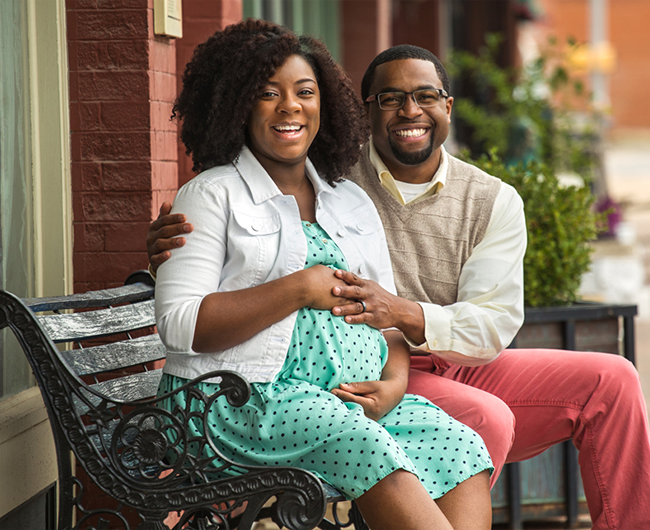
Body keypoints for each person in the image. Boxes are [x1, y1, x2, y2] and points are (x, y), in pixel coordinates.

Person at [150, 41, 650, 530]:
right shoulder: (324, 175)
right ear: (365, 111)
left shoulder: (467, 199)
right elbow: (199, 297)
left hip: (425, 359)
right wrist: (168, 256)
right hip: (268, 391)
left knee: (604, 383)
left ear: (448, 106)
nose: (410, 111)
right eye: (390, 99)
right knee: (480, 421)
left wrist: (398, 343)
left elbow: (491, 325)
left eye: (426, 96)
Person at [154, 21, 493, 530]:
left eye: (305, 92)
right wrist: (298, 288)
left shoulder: (347, 200)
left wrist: (395, 385)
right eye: (268, 94)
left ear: (324, 106)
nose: (290, 106)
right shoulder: (212, 194)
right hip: (239, 400)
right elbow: (180, 325)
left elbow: (388, 318)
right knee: (368, 448)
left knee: (459, 445)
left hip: (342, 401)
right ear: (238, 106)